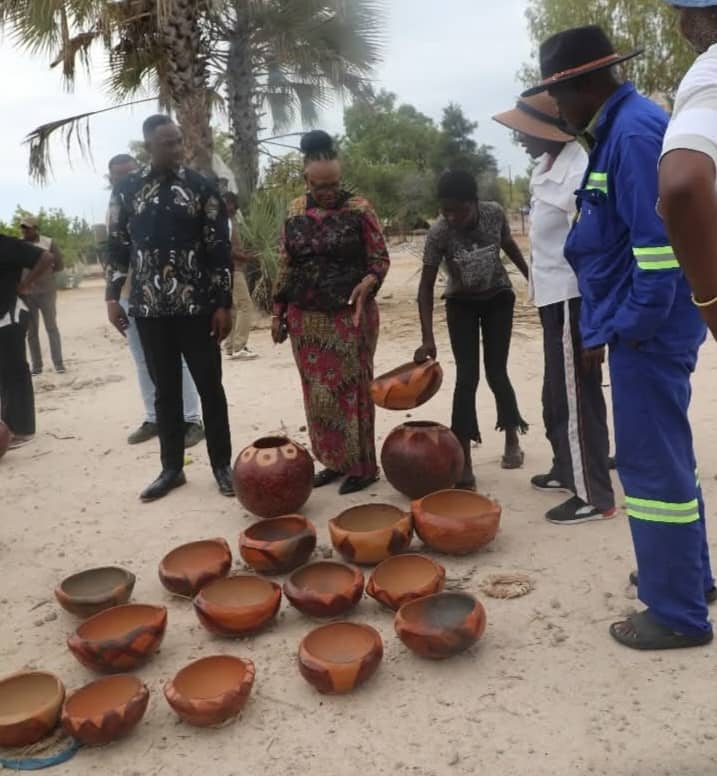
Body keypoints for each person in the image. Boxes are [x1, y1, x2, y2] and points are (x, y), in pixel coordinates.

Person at [525, 25, 714, 649]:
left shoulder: (631, 134)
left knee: (651, 467)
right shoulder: (620, 129)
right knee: (668, 455)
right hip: (644, 326)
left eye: (557, 94)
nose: (555, 108)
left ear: (582, 84)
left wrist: (623, 331)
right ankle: (684, 575)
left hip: (650, 333)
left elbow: (657, 256)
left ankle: (677, 612)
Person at [493, 94, 615, 525]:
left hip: (572, 298)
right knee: (557, 394)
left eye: (522, 131)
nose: (518, 138)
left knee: (577, 396)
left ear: (544, 130)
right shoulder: (544, 169)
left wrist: (594, 322)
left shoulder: (577, 171)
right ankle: (568, 466)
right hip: (550, 299)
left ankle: (594, 495)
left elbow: (594, 246)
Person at [107, 115, 234, 502]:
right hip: (148, 308)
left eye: (178, 141)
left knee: (211, 387)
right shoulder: (127, 190)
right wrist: (113, 297)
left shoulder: (201, 186)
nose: (176, 148)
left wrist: (223, 303)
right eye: (167, 143)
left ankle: (221, 466)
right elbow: (116, 246)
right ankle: (172, 468)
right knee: (165, 392)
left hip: (196, 306)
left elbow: (219, 248)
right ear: (149, 146)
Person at [272, 130, 390, 495]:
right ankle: (333, 463)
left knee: (353, 391)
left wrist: (369, 282)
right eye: (321, 186)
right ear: (307, 180)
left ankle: (363, 466)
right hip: (305, 319)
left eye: (334, 184)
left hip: (348, 318)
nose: (329, 192)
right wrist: (279, 313)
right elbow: (285, 263)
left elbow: (380, 259)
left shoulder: (359, 209)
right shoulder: (294, 211)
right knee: (319, 394)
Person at [414, 170, 530, 489]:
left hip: (498, 299)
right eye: (445, 210)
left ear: (474, 203)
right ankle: (463, 458)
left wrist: (532, 278)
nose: (451, 217)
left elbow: (508, 245)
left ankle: (511, 438)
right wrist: (427, 337)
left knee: (496, 372)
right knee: (467, 378)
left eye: (458, 210)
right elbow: (424, 287)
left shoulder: (493, 213)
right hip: (461, 304)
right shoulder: (439, 233)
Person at [107, 153, 205, 448]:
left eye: (128, 173)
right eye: (117, 175)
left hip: (165, 298)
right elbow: (113, 255)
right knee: (142, 361)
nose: (123, 179)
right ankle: (154, 417)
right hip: (129, 297)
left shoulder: (155, 203)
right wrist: (111, 298)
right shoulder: (115, 207)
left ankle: (191, 419)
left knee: (179, 360)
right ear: (110, 178)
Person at [659, 2, 717, 341]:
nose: (681, 26)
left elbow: (682, 184)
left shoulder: (711, 68)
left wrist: (711, 304)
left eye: (686, 12)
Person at [0, 234, 55, 447]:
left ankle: (22, 430)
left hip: (10, 315)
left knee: (16, 373)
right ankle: (8, 426)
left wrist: (25, 284)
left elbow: (46, 257)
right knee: (5, 373)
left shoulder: (6, 244)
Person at [19, 217, 65, 375]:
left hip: (47, 293)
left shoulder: (48, 243)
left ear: (36, 228)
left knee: (51, 327)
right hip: (27, 295)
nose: (24, 231)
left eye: (27, 228)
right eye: (22, 228)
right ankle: (37, 367)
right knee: (31, 332)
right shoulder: (19, 244)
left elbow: (59, 265)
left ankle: (59, 364)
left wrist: (46, 275)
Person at [223, 191, 258, 361]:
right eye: (231, 203)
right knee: (245, 305)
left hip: (228, 269)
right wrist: (245, 257)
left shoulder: (225, 222)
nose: (233, 207)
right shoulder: (227, 222)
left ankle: (230, 346)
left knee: (234, 308)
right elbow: (227, 249)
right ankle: (239, 346)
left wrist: (244, 253)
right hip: (233, 269)